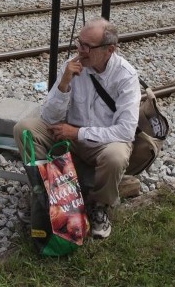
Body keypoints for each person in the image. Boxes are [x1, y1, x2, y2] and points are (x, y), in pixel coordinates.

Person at [14, 18, 140, 239]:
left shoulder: (125, 77)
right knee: (24, 129)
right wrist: (63, 84)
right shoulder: (72, 66)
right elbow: (49, 116)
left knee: (116, 156)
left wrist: (78, 132)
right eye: (78, 43)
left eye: (87, 46)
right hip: (69, 137)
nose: (80, 51)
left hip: (102, 143)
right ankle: (46, 194)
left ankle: (99, 206)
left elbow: (125, 132)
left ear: (109, 50)